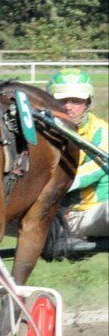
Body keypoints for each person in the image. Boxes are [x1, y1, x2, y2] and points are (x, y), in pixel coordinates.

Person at [49, 69, 107, 244]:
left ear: (88, 102)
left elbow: (82, 177)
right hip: (48, 215)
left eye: (76, 101)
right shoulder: (41, 131)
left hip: (90, 215)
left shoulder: (102, 132)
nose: (68, 106)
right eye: (62, 101)